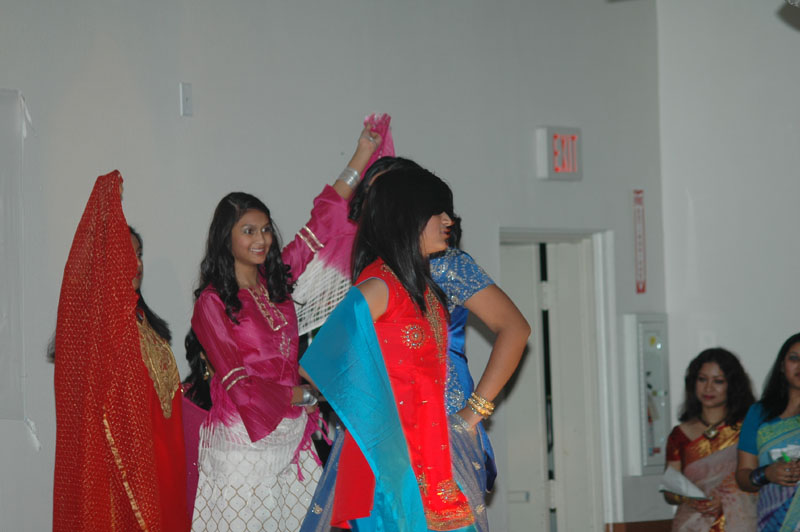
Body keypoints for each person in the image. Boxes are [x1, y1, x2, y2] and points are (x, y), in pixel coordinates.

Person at [301, 167, 523, 531]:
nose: (449, 220)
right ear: (407, 218)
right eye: (438, 212)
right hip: (394, 465)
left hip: (433, 455)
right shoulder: (380, 285)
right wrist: (380, 423)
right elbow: (319, 363)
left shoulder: (423, 291)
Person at [189, 127, 379, 531]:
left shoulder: (277, 281)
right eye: (248, 231)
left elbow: (321, 224)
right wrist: (307, 394)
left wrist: (362, 153)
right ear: (226, 238)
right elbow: (240, 386)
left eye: (265, 229)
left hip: (292, 439)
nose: (262, 239)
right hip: (244, 448)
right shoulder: (212, 303)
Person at [53, 171, 188, 531]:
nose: (137, 264)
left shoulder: (142, 320)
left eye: (139, 254)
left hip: (167, 466)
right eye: (127, 255)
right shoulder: (99, 336)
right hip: (127, 478)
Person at [663, 348, 756, 531]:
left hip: (740, 522)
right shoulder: (680, 435)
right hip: (692, 523)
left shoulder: (748, 429)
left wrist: (727, 497)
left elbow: (759, 479)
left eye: (718, 381)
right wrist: (690, 499)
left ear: (732, 385)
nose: (708, 388)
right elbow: (669, 490)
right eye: (702, 379)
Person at [736, 333, 800, 530]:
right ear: (782, 366)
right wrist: (767, 473)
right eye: (794, 358)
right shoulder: (759, 413)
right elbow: (743, 477)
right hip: (773, 522)